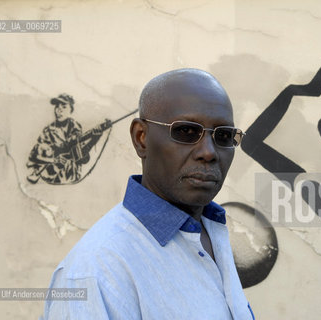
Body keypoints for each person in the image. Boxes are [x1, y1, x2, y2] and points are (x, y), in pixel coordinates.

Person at [42, 69, 254, 319]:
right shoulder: (96, 272)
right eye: (186, 132)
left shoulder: (211, 228)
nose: (208, 152)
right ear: (141, 138)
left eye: (224, 136)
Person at [27, 94, 107, 184]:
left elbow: (82, 158)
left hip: (72, 178)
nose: (59, 110)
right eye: (57, 106)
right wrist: (53, 160)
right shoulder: (48, 131)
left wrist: (95, 139)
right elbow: (34, 156)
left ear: (71, 110)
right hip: (52, 179)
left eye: (64, 107)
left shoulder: (76, 128)